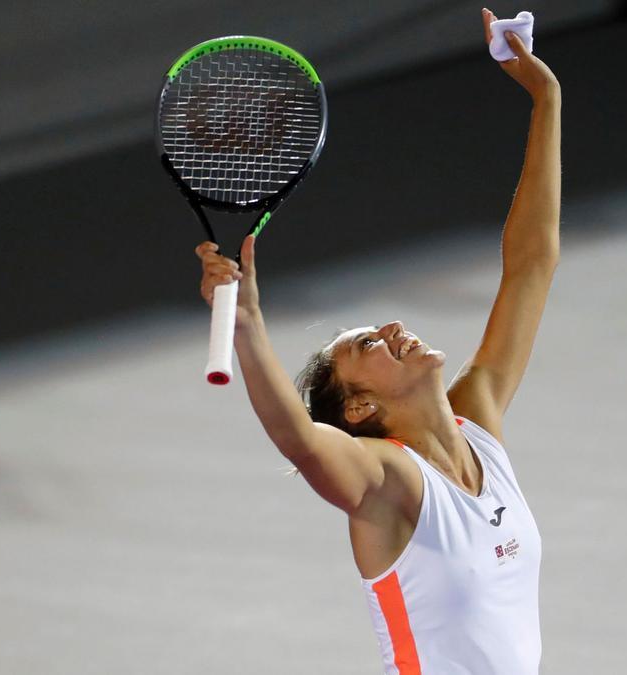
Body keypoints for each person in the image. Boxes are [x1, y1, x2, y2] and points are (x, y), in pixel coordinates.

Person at [195, 9, 560, 674]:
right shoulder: (387, 480)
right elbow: (302, 443)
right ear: (359, 409)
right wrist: (247, 330)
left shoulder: (476, 419)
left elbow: (531, 263)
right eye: (369, 345)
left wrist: (546, 98)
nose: (392, 329)